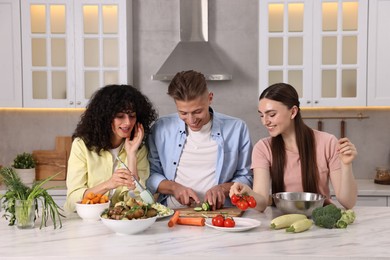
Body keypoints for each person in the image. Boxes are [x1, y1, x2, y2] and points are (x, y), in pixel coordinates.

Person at [230, 83, 358, 211]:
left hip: (320, 221)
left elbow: (348, 202)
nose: (265, 121)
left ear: (293, 112)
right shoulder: (263, 148)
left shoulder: (327, 142)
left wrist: (346, 165)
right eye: (262, 115)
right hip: (282, 222)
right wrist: (248, 193)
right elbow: (262, 203)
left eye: (272, 114)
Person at [146, 70, 253, 211]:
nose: (191, 120)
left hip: (221, 212)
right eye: (183, 113)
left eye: (198, 111)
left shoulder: (237, 128)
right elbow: (150, 175)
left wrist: (223, 189)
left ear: (210, 98)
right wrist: (174, 188)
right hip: (173, 211)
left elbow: (246, 177)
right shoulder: (161, 128)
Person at [64, 84, 158, 212]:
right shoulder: (82, 145)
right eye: (120, 116)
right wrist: (109, 184)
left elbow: (142, 203)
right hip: (85, 223)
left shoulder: (138, 148)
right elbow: (72, 201)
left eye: (132, 116)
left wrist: (131, 155)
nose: (128, 122)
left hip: (120, 223)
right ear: (105, 117)